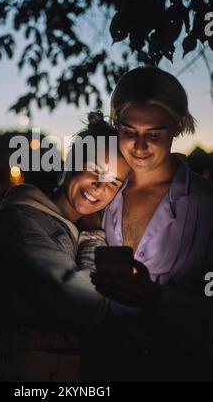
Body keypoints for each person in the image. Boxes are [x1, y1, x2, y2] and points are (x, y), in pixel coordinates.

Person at [87, 66, 213, 381]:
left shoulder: (205, 203)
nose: (139, 147)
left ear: (178, 125)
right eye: (129, 132)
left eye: (154, 134)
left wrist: (157, 299)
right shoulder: (101, 195)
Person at [0, 111, 130, 382]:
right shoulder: (23, 218)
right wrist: (93, 239)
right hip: (34, 369)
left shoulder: (86, 225)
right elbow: (84, 304)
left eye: (113, 183)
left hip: (78, 366)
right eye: (95, 170)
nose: (99, 187)